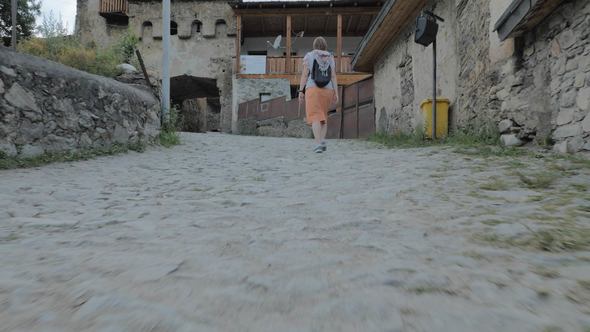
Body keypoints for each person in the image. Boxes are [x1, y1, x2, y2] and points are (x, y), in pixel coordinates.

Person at [298, 37, 339, 153]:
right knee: (323, 117)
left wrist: (301, 91)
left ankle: (318, 143)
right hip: (328, 90)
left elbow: (305, 75)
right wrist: (336, 92)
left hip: (313, 88)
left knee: (315, 116)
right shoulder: (330, 57)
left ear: (314, 45)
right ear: (325, 45)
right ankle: (322, 140)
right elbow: (333, 76)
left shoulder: (309, 56)